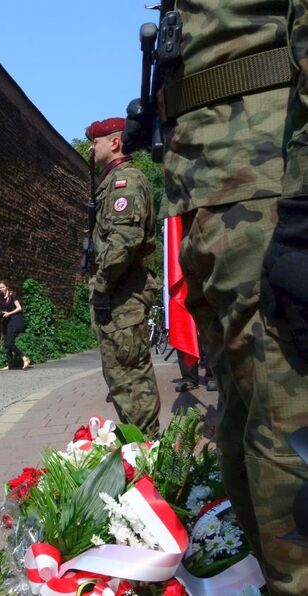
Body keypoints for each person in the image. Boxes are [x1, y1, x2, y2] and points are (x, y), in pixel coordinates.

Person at [157, 3, 307, 590]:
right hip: (208, 191)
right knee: (247, 426)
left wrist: (304, 204)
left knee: (289, 430)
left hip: (270, 186)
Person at [85, 117, 160, 437]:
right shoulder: (111, 181)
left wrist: (101, 287)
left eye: (96, 142)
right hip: (119, 294)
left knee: (131, 378)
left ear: (114, 143)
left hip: (123, 295)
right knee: (121, 379)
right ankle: (138, 446)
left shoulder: (124, 183)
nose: (90, 148)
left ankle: (148, 452)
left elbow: (124, 242)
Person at [0, 281, 30, 370]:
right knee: (6, 345)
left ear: (7, 287)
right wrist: (1, 312)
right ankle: (10, 364)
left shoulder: (12, 296)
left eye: (3, 287)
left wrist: (9, 313)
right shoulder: (1, 297)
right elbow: (1, 309)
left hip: (13, 321)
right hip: (5, 322)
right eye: (0, 288)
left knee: (10, 343)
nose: (1, 289)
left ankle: (24, 357)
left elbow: (19, 308)